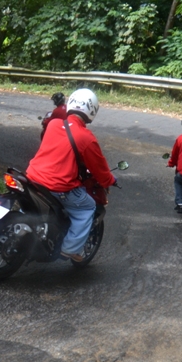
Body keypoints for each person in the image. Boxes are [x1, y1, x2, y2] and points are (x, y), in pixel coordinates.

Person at [26, 88, 116, 262]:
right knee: (87, 207)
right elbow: (101, 171)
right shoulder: (86, 138)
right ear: (92, 110)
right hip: (59, 187)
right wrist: (111, 180)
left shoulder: (53, 124)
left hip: (33, 177)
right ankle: (70, 249)